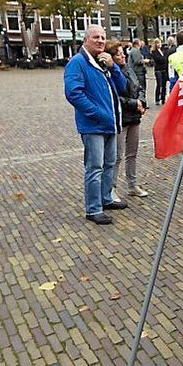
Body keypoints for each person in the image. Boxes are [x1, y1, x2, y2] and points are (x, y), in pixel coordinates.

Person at [63, 25, 128, 225]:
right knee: (95, 167)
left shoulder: (102, 62)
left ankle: (106, 198)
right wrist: (98, 114)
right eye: (95, 37)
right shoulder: (77, 63)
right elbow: (74, 93)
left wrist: (114, 67)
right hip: (94, 126)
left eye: (102, 37)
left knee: (109, 163)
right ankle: (93, 209)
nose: (100, 40)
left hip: (110, 124)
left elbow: (123, 87)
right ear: (86, 40)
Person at [107, 41, 149, 198]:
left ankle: (132, 185)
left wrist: (142, 101)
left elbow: (139, 87)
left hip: (134, 117)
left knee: (132, 153)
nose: (123, 55)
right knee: (116, 156)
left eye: (122, 52)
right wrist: (135, 103)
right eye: (118, 54)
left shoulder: (129, 69)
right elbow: (114, 97)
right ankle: (111, 188)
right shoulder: (109, 73)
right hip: (121, 118)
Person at [150, 38, 168, 105]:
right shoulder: (154, 52)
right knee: (159, 84)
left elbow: (165, 58)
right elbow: (158, 59)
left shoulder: (162, 50)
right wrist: (163, 59)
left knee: (164, 85)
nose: (160, 44)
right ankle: (157, 99)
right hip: (158, 70)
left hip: (163, 69)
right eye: (159, 43)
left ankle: (163, 99)